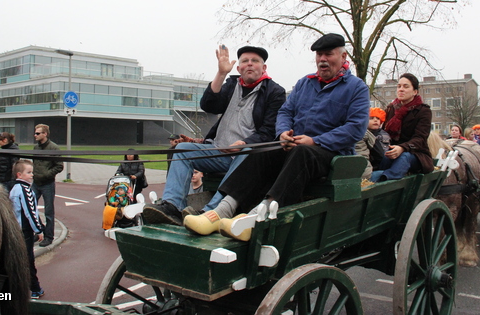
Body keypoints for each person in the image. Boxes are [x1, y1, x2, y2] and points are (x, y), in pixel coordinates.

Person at [184, 33, 369, 241]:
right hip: (296, 146)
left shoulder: (357, 89)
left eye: (329, 54)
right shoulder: (304, 84)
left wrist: (315, 140)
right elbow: (285, 112)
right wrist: (282, 133)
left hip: (330, 154)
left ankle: (257, 218)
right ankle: (221, 211)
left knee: (302, 152)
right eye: (319, 55)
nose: (322, 59)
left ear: (344, 57)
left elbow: (355, 128)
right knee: (261, 149)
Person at [143, 45, 286, 225]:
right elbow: (209, 105)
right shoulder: (232, 85)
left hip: (246, 158)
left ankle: (211, 211)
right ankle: (172, 206)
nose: (249, 64)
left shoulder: (275, 92)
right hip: (218, 151)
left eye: (255, 61)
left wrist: (242, 143)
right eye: (245, 61)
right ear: (239, 68)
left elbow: (269, 132)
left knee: (249, 150)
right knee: (181, 149)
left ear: (263, 68)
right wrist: (220, 73)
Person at [370, 73, 433, 183]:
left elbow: (420, 139)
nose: (401, 89)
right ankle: (374, 176)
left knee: (404, 157)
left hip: (415, 153)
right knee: (385, 157)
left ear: (415, 91)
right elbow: (383, 132)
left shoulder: (423, 111)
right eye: (399, 86)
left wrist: (402, 148)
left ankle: (383, 180)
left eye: (406, 86)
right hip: (392, 150)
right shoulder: (391, 108)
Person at [9, 160, 45, 299]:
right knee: (28, 261)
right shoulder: (24, 190)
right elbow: (30, 212)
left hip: (18, 229)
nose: (32, 175)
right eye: (28, 172)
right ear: (19, 174)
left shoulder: (15, 188)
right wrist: (39, 230)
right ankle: (35, 289)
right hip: (24, 231)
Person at [32, 124, 64, 247]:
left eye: (38, 133)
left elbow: (59, 166)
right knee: (30, 208)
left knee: (49, 212)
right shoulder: (35, 148)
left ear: (45, 134)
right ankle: (39, 230)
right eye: (35, 133)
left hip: (47, 184)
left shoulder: (54, 148)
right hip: (36, 182)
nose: (35, 135)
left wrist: (47, 174)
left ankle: (49, 237)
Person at [355, 107, 389, 178]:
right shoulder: (366, 134)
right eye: (371, 118)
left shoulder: (383, 135)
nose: (375, 120)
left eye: (378, 119)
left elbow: (381, 154)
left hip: (380, 161)